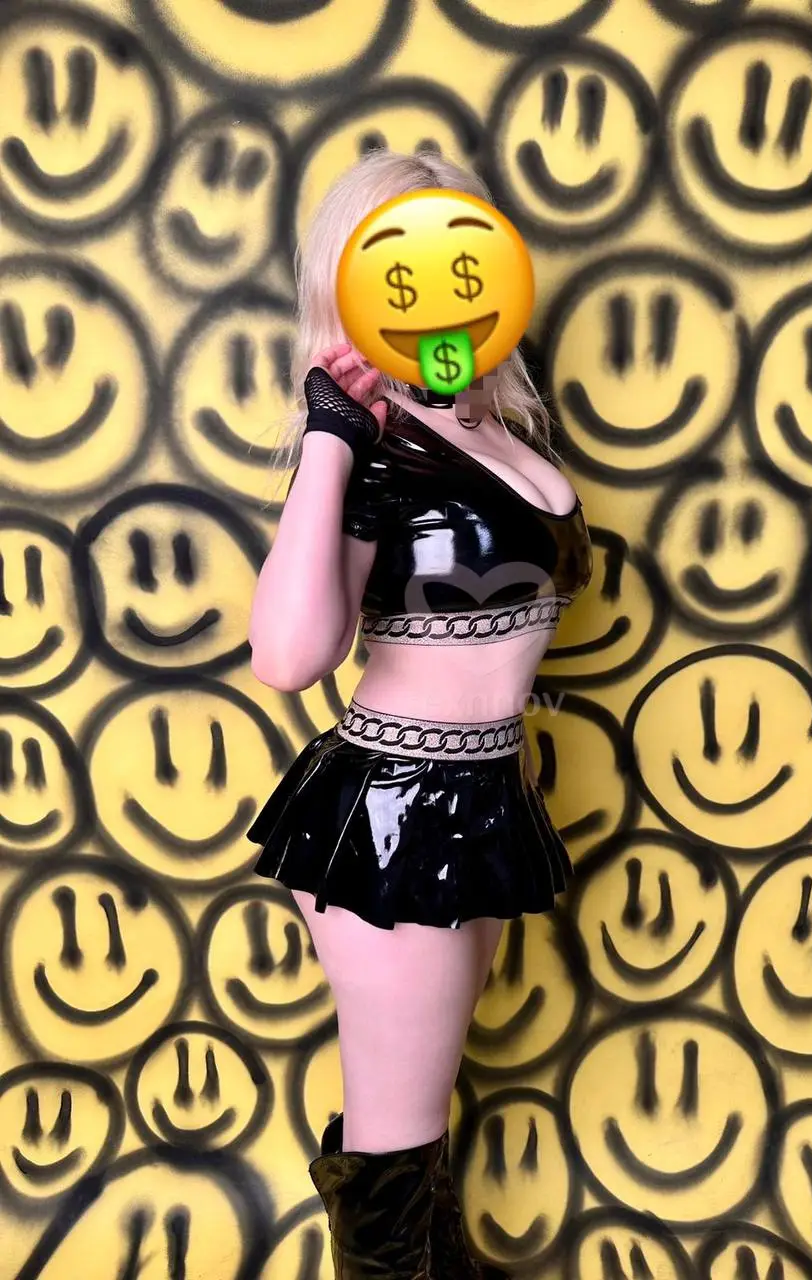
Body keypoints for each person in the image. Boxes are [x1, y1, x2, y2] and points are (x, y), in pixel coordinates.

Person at [246, 149, 592, 1280]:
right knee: (395, 1150)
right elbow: (289, 653)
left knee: (417, 1124)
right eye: (402, 262)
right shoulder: (371, 442)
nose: (439, 285)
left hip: (482, 800)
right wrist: (331, 434)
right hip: (397, 812)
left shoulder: (487, 425)